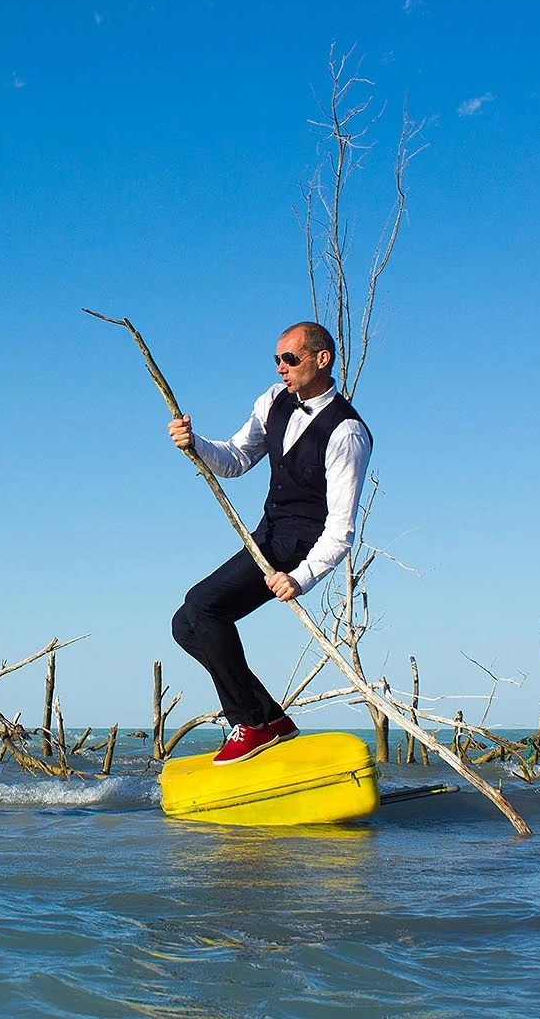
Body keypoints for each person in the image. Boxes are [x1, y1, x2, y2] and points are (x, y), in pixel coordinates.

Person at [167, 320, 373, 765]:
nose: (281, 367)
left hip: (298, 547)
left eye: (290, 359)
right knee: (186, 624)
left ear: (322, 359)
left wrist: (301, 577)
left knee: (202, 606)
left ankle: (253, 723)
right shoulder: (273, 401)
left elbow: (341, 529)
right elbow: (236, 459)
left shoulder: (347, 433)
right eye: (277, 359)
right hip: (267, 535)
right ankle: (269, 719)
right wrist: (194, 443)